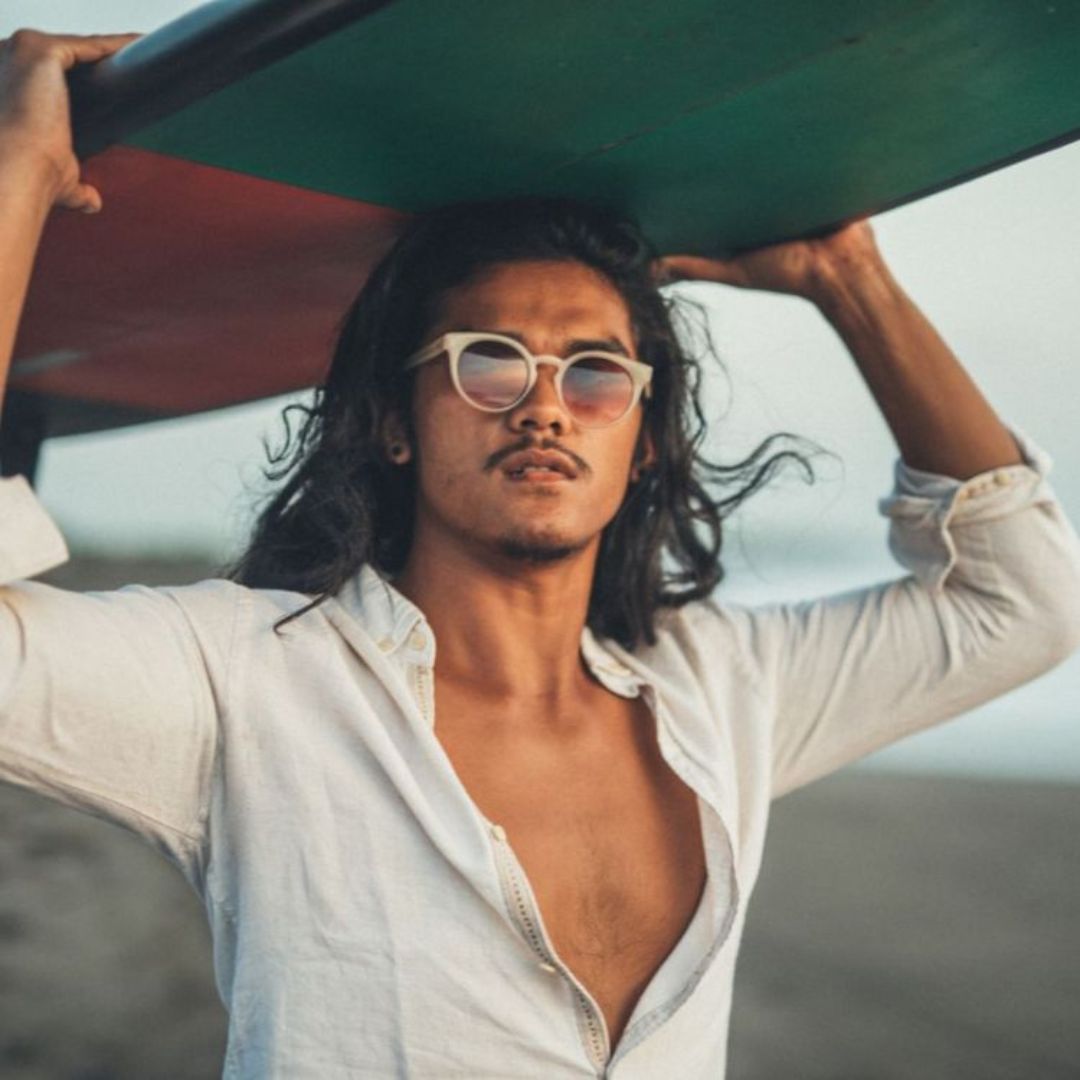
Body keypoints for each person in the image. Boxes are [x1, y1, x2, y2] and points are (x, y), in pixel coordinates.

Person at [2, 29, 1079, 1080]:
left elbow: (1025, 601)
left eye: (596, 373)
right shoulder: (245, 681)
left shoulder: (725, 692)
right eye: (489, 362)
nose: (546, 408)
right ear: (395, 422)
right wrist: (21, 171)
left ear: (643, 439)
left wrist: (850, 280)